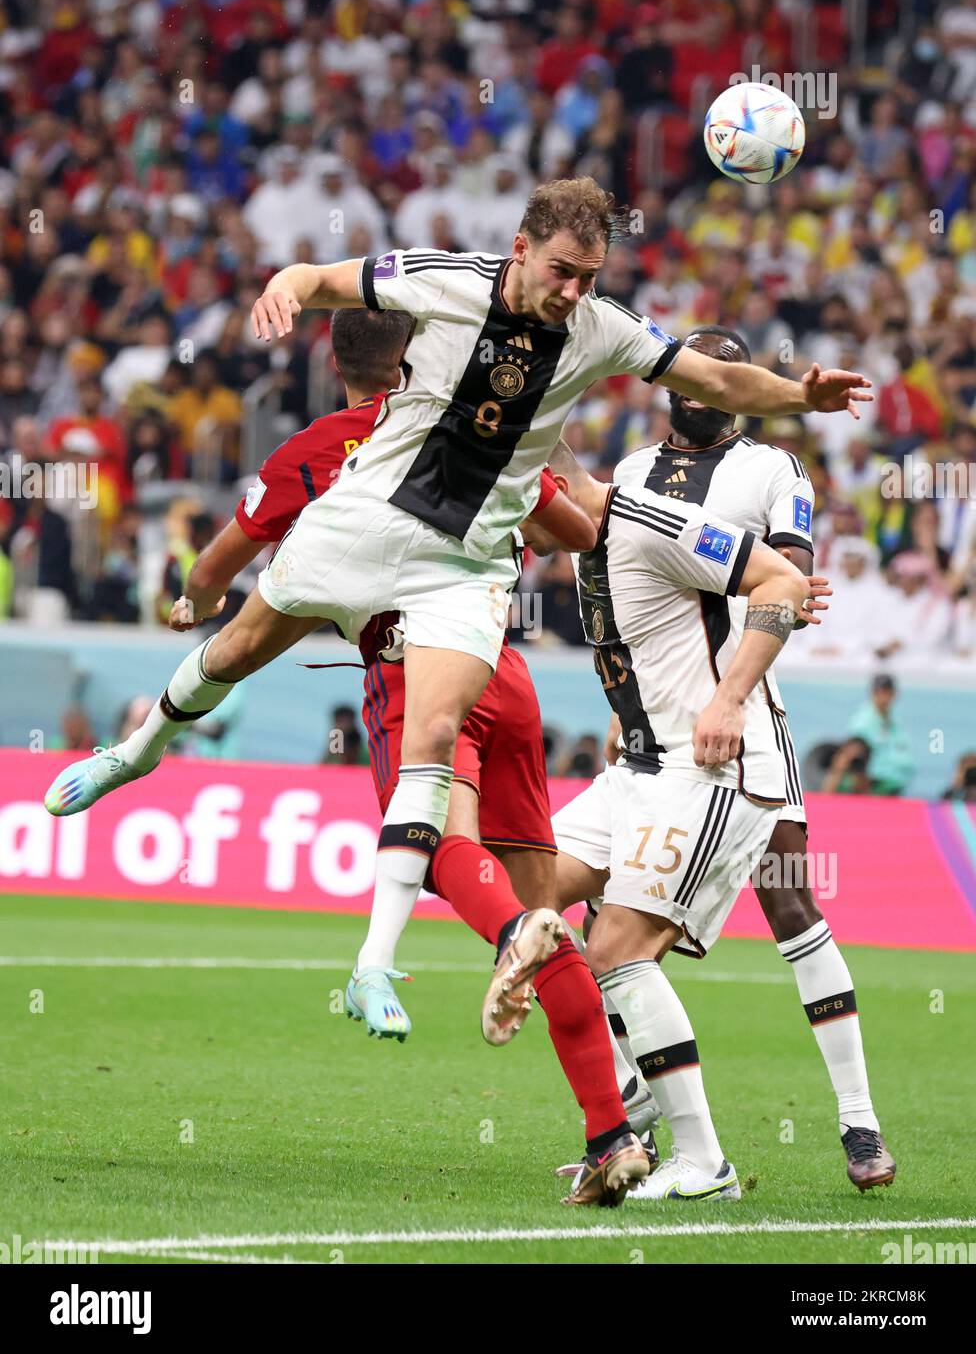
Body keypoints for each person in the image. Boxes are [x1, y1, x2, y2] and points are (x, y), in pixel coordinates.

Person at [45, 176, 873, 1039]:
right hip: (370, 516)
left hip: (464, 561)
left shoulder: (601, 328)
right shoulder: (444, 278)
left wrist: (797, 397)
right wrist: (283, 287)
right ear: (522, 248)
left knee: (432, 737)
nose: (574, 292)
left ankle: (374, 963)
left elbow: (714, 375)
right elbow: (321, 279)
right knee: (237, 650)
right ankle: (138, 753)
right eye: (561, 271)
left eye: (589, 276)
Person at [49, 305, 652, 1204]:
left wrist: (192, 599)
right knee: (539, 907)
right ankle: (616, 1125)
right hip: (502, 669)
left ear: (337, 363)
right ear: (420, 357)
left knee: (460, 867)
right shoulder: (478, 435)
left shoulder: (321, 447)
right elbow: (577, 534)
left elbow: (223, 568)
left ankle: (466, 957)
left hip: (415, 670)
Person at [612, 326, 894, 1192]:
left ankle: (858, 1121)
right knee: (619, 925)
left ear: (739, 387)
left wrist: (708, 570)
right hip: (652, 733)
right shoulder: (626, 473)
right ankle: (636, 1115)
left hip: (746, 717)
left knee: (791, 902)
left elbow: (794, 582)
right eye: (692, 369)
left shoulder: (772, 470)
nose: (701, 386)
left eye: (721, 370)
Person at [535, 441, 838, 1202]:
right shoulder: (586, 538)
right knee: (523, 908)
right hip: (633, 766)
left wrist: (729, 697)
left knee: (616, 947)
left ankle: (703, 1163)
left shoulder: (650, 517)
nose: (531, 545)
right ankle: (631, 1109)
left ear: (558, 489)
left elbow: (784, 583)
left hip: (699, 769)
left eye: (531, 521)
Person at [846, 674, 916, 795]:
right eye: (881, 692)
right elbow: (857, 757)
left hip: (894, 782)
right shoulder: (862, 721)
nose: (885, 697)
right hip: (872, 784)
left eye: (888, 692)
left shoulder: (894, 721)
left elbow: (904, 751)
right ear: (873, 693)